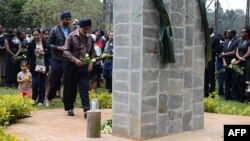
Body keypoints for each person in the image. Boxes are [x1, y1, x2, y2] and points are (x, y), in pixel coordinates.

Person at [63, 18, 95, 117]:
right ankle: (70, 107)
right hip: (71, 65)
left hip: (84, 66)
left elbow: (91, 52)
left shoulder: (90, 38)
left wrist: (90, 63)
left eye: (88, 29)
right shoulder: (71, 36)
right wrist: (75, 60)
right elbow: (66, 51)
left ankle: (86, 110)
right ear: (79, 27)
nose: (86, 31)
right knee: (70, 88)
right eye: (85, 29)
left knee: (84, 87)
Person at [46, 11, 72, 105]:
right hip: (57, 59)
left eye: (69, 19)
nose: (69, 21)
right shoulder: (54, 30)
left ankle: (66, 100)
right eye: (67, 19)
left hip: (68, 59)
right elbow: (48, 44)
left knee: (68, 80)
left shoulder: (70, 31)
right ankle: (49, 98)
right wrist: (58, 48)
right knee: (55, 80)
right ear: (62, 19)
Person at [26, 29, 49, 105]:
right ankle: (34, 98)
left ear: (40, 34)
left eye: (37, 34)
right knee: (35, 83)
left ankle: (41, 100)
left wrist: (43, 53)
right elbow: (28, 56)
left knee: (42, 83)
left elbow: (49, 53)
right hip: (34, 65)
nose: (36, 36)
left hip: (43, 65)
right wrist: (27, 64)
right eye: (34, 35)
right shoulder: (31, 44)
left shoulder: (45, 43)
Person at [221, 30, 239, 100]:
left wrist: (224, 54)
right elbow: (222, 52)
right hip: (226, 64)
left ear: (232, 34)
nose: (227, 34)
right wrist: (224, 61)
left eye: (228, 33)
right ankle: (227, 96)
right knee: (227, 80)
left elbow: (234, 52)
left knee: (233, 80)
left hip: (233, 63)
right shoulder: (225, 42)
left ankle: (234, 96)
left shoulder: (237, 41)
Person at [234, 27, 250, 102]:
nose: (241, 34)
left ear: (247, 33)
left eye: (243, 33)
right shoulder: (239, 42)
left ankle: (248, 98)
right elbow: (236, 51)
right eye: (241, 33)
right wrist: (239, 58)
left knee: (247, 80)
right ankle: (241, 98)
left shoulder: (249, 41)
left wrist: (240, 60)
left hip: (247, 63)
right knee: (240, 80)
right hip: (240, 62)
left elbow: (248, 53)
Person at [204, 26, 220, 97]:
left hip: (211, 60)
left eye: (208, 29)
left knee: (211, 77)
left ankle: (212, 92)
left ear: (211, 30)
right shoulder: (206, 37)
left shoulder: (216, 38)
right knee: (205, 76)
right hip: (205, 60)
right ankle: (205, 91)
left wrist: (208, 50)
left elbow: (217, 49)